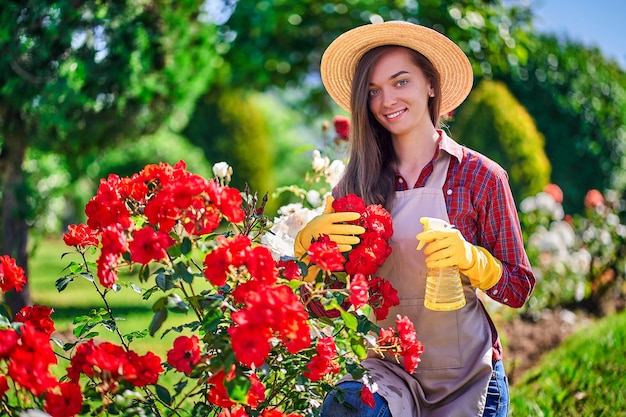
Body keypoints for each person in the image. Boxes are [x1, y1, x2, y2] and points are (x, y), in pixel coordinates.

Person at [294, 21, 536, 417]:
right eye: (373, 90)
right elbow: (325, 308)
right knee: (347, 407)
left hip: (470, 378)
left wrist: (475, 261)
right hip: (388, 373)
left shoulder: (479, 176)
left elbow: (518, 288)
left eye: (400, 82)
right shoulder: (353, 187)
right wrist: (309, 255)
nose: (386, 99)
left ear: (431, 85)